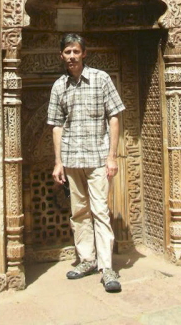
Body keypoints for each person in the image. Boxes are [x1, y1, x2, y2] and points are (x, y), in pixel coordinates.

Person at [47, 33, 125, 292]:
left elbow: (114, 117)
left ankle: (107, 267)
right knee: (79, 212)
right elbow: (57, 126)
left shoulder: (101, 79)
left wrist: (111, 157)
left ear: (84, 53)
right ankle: (86, 260)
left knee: (100, 211)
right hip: (71, 158)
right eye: (67, 52)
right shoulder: (59, 86)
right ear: (61, 55)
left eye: (76, 51)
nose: (71, 56)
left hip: (97, 159)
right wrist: (58, 162)